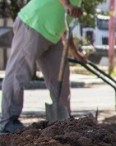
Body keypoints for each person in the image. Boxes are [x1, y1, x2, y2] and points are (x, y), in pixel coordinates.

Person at [0, 0, 86, 134]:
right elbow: (65, 7)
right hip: (33, 24)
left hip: (53, 36)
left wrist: (75, 52)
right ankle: (7, 122)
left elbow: (64, 22)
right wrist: (67, 5)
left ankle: (63, 122)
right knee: (18, 73)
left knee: (61, 80)